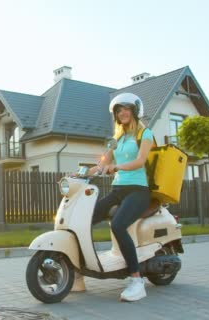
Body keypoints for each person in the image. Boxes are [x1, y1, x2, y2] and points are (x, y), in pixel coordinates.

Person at [88, 92, 153, 302]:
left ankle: (136, 280)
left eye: (126, 109)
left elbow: (140, 161)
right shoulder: (116, 139)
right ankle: (78, 269)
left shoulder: (145, 133)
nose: (123, 113)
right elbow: (102, 164)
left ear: (134, 111)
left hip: (138, 190)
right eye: (118, 111)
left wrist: (116, 166)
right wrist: (80, 174)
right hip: (118, 190)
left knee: (117, 225)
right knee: (86, 218)